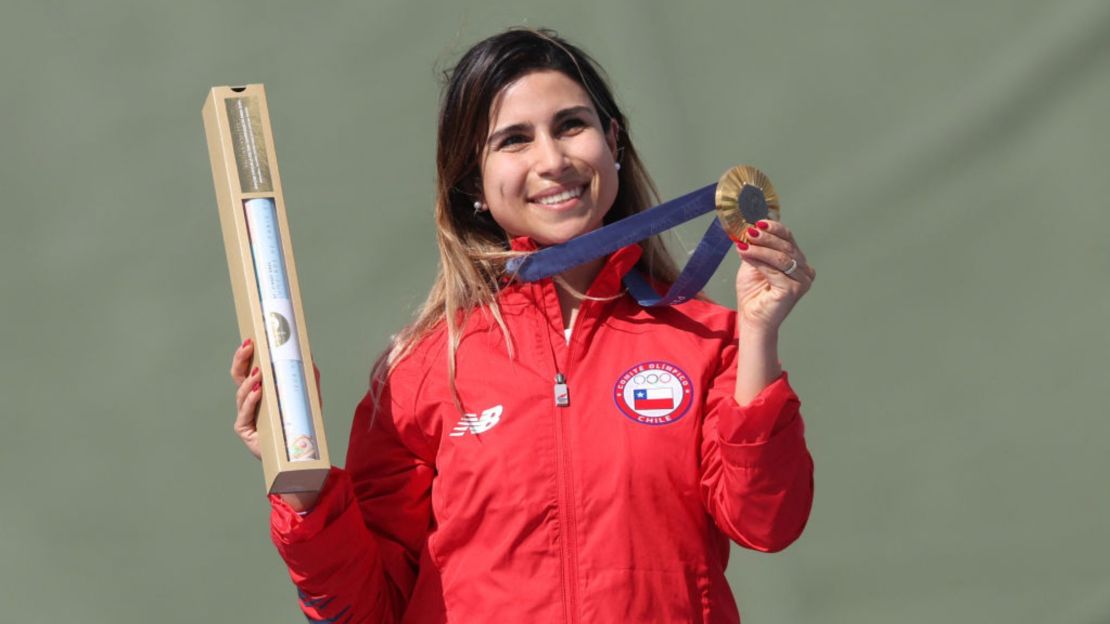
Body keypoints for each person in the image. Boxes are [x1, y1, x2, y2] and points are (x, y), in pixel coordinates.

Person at [229, 27, 815, 623]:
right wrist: (300, 485)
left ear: (613, 140)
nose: (552, 161)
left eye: (571, 126)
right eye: (514, 140)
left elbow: (766, 522)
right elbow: (363, 609)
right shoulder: (424, 369)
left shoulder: (705, 338)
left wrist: (759, 334)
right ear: (473, 181)